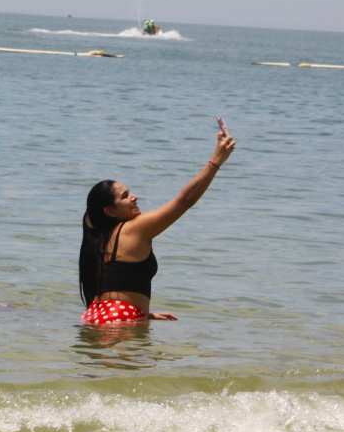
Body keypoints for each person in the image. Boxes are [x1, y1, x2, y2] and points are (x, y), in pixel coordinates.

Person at [79, 129, 236, 324]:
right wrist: (216, 161)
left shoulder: (100, 237)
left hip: (96, 316)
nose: (134, 197)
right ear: (110, 211)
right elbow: (184, 201)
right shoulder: (134, 228)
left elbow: (116, 283)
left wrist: (144, 314)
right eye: (125, 196)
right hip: (119, 320)